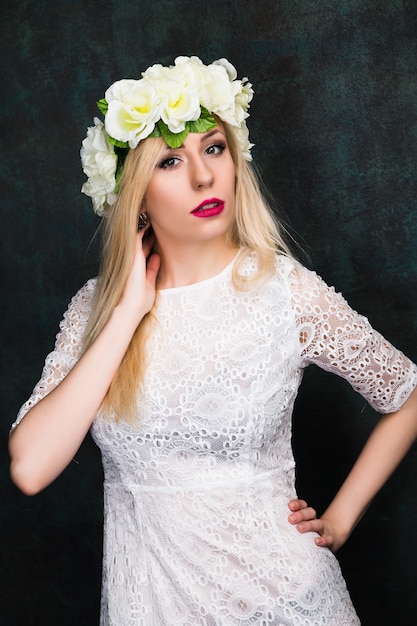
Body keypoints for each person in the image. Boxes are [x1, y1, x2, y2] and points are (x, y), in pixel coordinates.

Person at [9, 56, 417, 625]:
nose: (203, 177)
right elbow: (30, 467)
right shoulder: (95, 309)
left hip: (285, 604)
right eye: (171, 161)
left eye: (214, 148)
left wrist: (342, 516)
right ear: (134, 195)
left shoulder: (285, 292)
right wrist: (128, 311)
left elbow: (407, 394)